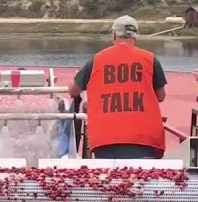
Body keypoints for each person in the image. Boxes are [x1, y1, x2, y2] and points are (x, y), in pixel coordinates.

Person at [68, 15, 168, 159]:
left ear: (114, 35)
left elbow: (73, 90)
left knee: (110, 178)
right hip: (144, 137)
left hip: (106, 137)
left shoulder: (97, 60)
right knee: (144, 178)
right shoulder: (150, 59)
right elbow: (161, 96)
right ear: (136, 36)